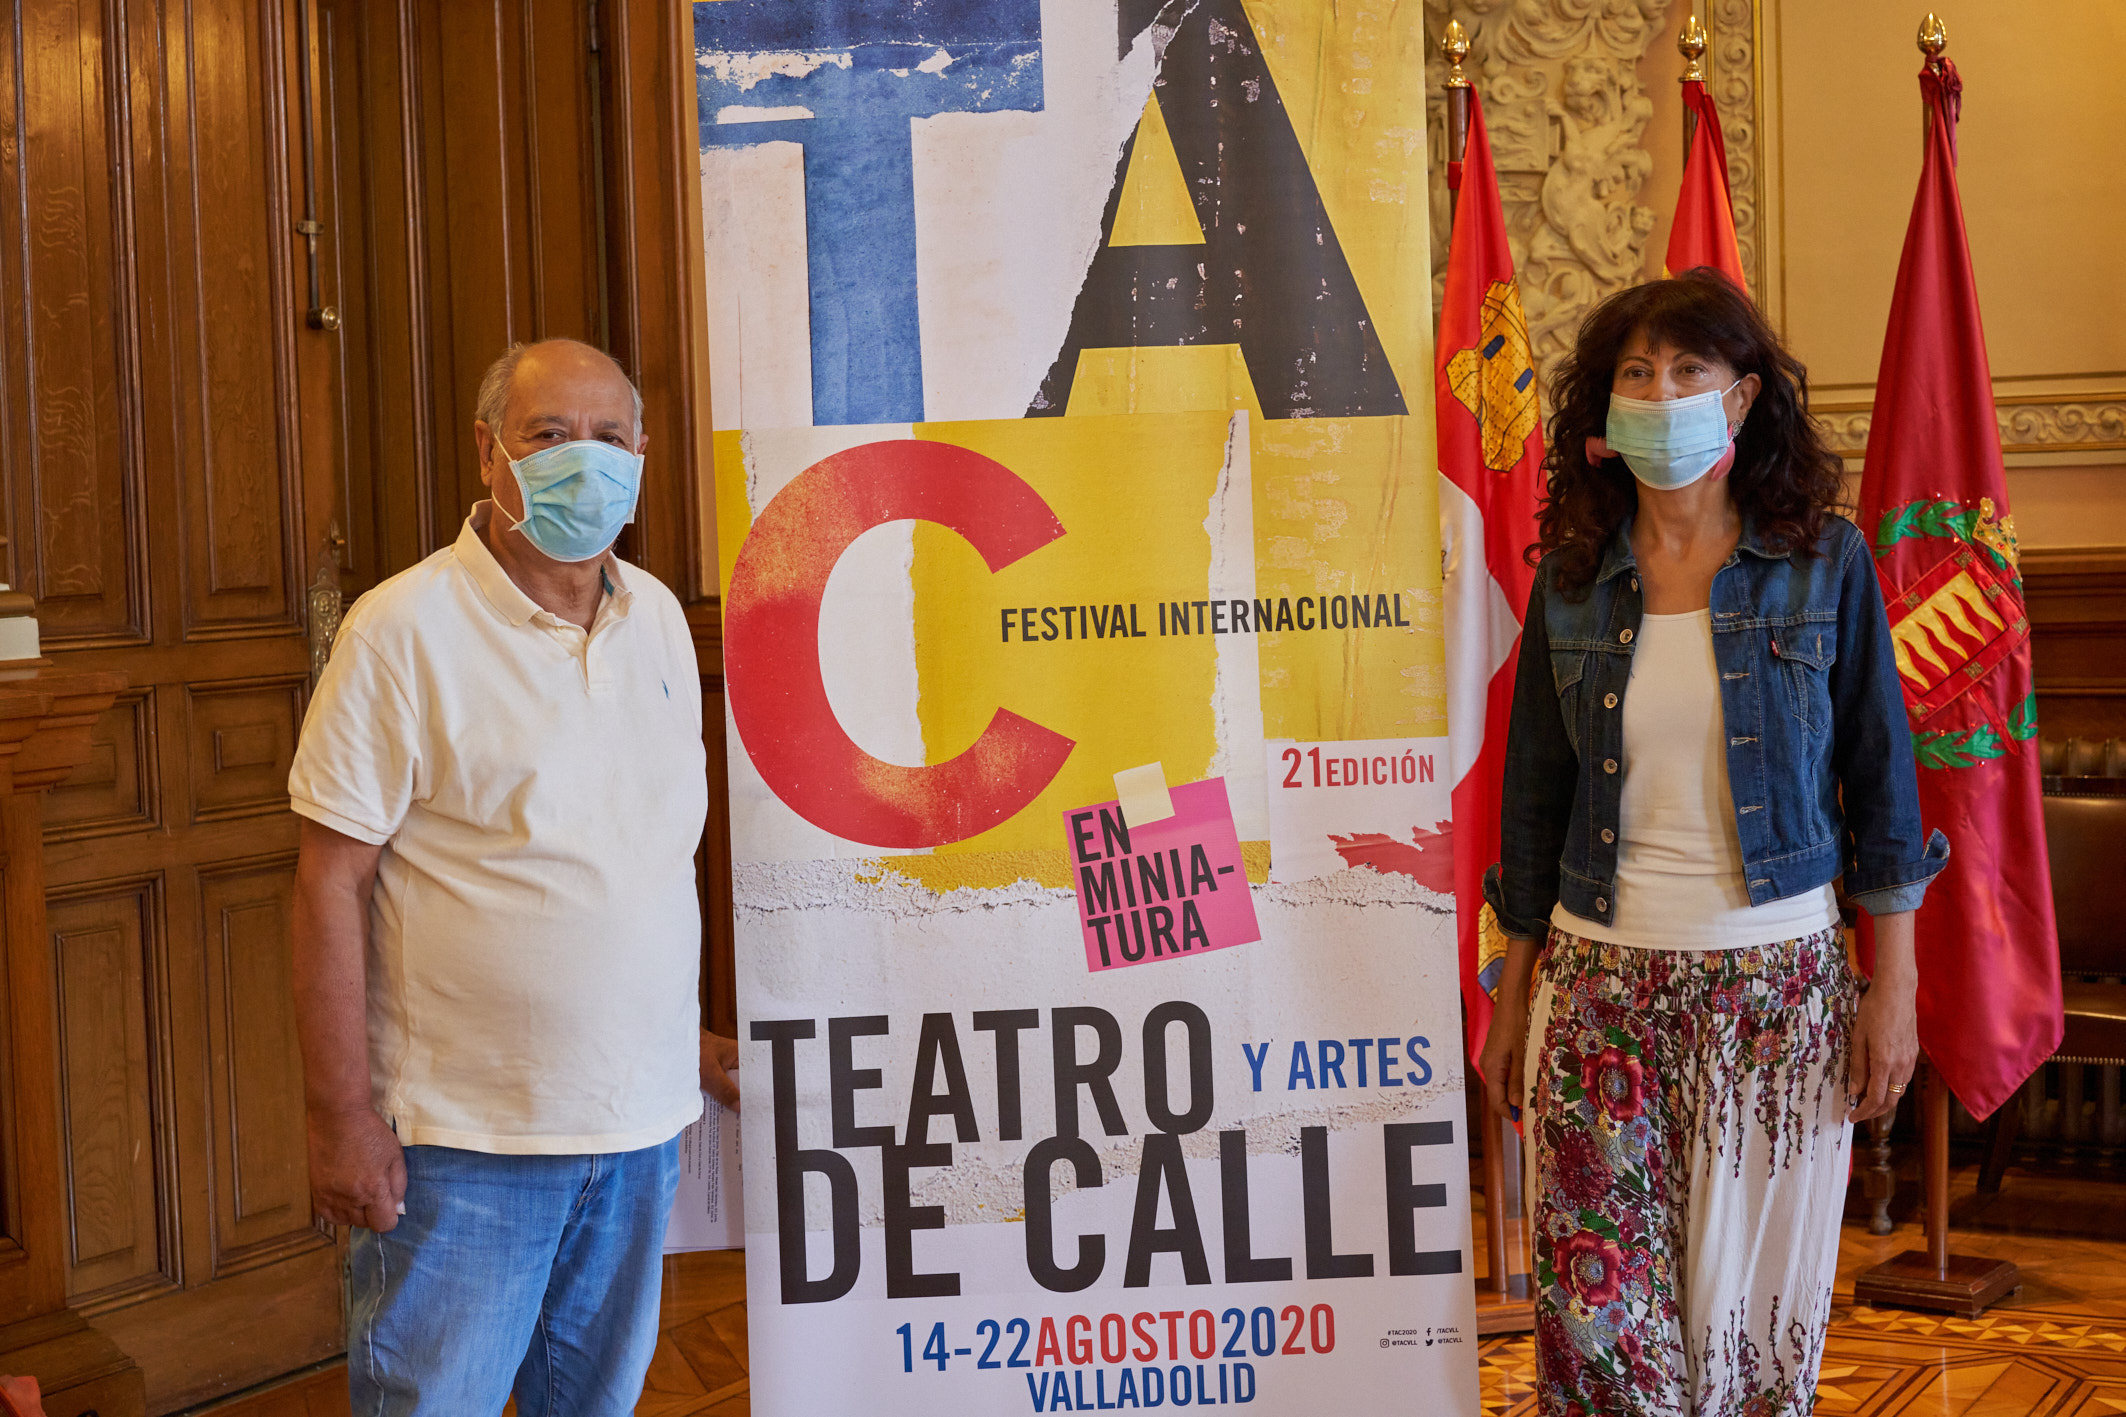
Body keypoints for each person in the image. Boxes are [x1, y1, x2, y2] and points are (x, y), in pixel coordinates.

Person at [1477, 270, 1949, 1416]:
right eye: (1635, 373)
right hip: (1597, 994)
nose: (1660, 392)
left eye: (1687, 369)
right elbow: (1531, 804)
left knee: (1748, 1354)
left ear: (1739, 398)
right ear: (1603, 406)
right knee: (1602, 1352)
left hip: (1776, 996)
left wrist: (1891, 987)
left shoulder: (1823, 564)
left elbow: (1882, 786)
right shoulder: (1569, 584)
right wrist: (1511, 994)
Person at [289, 338, 741, 1416]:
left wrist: (685, 1041)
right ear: (489, 453)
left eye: (608, 436)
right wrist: (338, 1115)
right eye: (549, 434)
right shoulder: (399, 630)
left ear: (643, 456)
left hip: (637, 1134)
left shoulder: (659, 620)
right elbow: (327, 885)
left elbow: (633, 861)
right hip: (465, 1147)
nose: (585, 458)